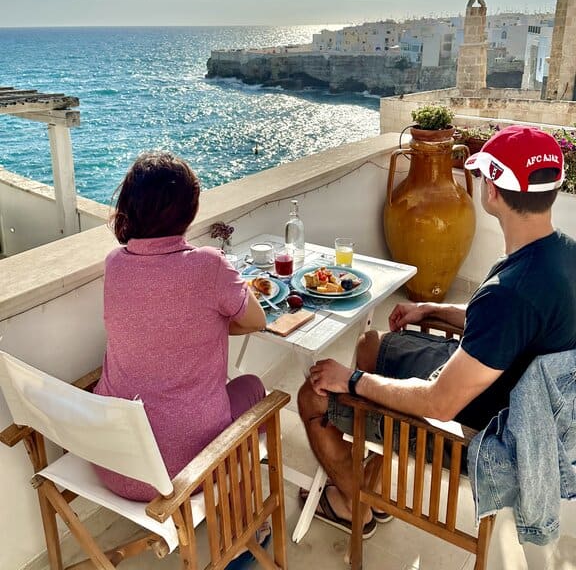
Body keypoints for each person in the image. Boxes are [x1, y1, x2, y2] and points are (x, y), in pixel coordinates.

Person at [298, 125, 576, 538]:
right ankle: (368, 482)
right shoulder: (561, 255)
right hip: (506, 394)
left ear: (493, 192)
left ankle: (354, 504)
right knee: (372, 344)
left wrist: (353, 381)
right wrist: (436, 309)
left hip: (480, 433)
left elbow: (440, 403)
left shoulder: (511, 293)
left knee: (313, 394)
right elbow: (509, 329)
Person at [94, 151, 268, 504]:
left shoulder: (115, 263)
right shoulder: (208, 265)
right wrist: (213, 326)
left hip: (110, 458)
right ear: (190, 210)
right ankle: (244, 519)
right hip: (179, 472)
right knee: (251, 387)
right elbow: (257, 320)